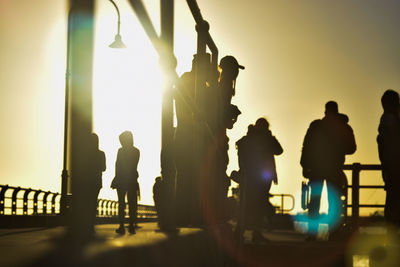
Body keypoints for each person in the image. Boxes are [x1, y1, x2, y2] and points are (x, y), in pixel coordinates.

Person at [301, 101, 356, 238]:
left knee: (316, 200)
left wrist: (304, 165)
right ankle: (333, 231)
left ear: (325, 111)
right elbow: (352, 148)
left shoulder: (316, 126)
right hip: (334, 167)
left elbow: (306, 146)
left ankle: (313, 232)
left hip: (317, 168)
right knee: (334, 200)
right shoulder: (343, 127)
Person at [235, 118, 283, 242]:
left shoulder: (256, 139)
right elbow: (278, 150)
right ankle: (245, 232)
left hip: (257, 177)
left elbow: (279, 151)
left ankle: (245, 232)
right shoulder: (254, 139)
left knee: (252, 205)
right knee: (251, 205)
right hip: (255, 177)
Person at [377, 89, 400, 227]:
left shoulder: (385, 120)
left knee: (391, 201)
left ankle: (391, 234)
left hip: (390, 168)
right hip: (394, 168)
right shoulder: (391, 120)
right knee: (393, 201)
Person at [111, 131, 140, 234]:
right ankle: (131, 226)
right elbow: (133, 165)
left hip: (122, 180)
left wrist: (117, 178)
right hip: (131, 180)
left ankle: (122, 226)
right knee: (132, 204)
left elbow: (117, 165)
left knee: (121, 204)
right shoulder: (136, 151)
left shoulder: (121, 151)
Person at [88, 133, 106, 232]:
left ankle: (88, 223)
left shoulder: (86, 154)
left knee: (88, 202)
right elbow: (104, 168)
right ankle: (92, 223)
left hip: (88, 181)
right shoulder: (101, 154)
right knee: (94, 202)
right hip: (97, 181)